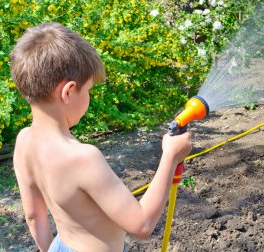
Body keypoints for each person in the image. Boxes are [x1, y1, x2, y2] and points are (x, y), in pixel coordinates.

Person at [10, 22, 192, 252]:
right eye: (88, 90)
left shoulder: (24, 140)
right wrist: (170, 157)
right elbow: (142, 225)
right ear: (68, 92)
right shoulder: (83, 158)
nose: (89, 96)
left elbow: (34, 217)